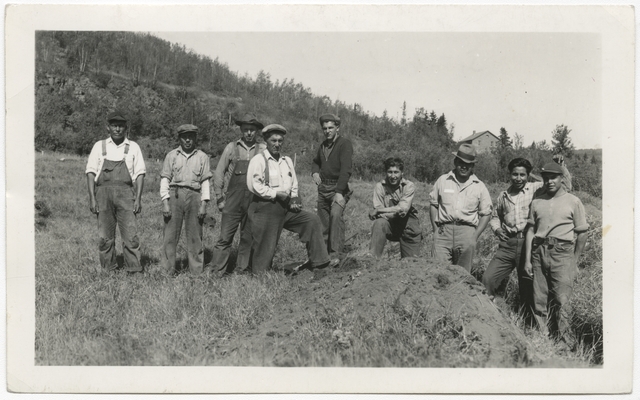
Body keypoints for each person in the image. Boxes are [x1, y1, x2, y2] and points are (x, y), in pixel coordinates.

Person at [483, 157, 571, 316]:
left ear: (528, 175)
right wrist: (497, 230)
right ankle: (493, 315)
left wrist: (561, 166)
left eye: (522, 175)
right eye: (515, 174)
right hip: (508, 244)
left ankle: (528, 323)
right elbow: (495, 216)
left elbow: (564, 186)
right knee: (488, 278)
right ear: (510, 174)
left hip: (529, 243)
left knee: (529, 286)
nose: (518, 178)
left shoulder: (536, 188)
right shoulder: (504, 195)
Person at [246, 124, 339, 274]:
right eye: (273, 140)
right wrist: (275, 194)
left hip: (286, 207)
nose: (277, 144)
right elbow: (253, 185)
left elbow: (294, 182)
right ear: (266, 141)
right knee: (265, 246)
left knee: (312, 220)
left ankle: (320, 264)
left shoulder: (287, 161)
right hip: (265, 207)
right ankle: (260, 277)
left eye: (280, 141)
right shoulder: (259, 160)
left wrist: (295, 198)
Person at [523, 162, 589, 348]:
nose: (549, 181)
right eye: (546, 178)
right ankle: (542, 336)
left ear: (562, 179)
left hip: (562, 252)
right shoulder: (537, 201)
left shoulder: (573, 201)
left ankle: (564, 341)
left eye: (553, 177)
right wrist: (528, 259)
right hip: (539, 252)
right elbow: (530, 230)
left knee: (562, 299)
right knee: (539, 297)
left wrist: (574, 261)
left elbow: (582, 232)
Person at [85, 111, 146, 273]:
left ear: (126, 128)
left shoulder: (133, 147)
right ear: (108, 127)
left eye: (121, 126)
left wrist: (138, 199)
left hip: (126, 195)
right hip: (103, 195)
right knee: (105, 236)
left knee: (130, 235)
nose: (117, 129)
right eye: (114, 125)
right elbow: (90, 173)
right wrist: (92, 198)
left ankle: (133, 269)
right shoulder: (99, 146)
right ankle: (108, 268)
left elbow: (140, 174)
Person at [211, 113, 266, 274]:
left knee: (247, 236)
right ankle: (217, 271)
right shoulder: (231, 147)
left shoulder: (262, 149)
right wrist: (219, 197)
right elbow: (219, 173)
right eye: (246, 129)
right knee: (225, 237)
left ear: (257, 132)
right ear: (241, 130)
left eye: (252, 130)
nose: (249, 133)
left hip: (253, 200)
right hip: (232, 200)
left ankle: (241, 270)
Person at [429, 143, 492, 272]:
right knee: (438, 273)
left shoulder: (479, 186)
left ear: (473, 166)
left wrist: (474, 237)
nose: (464, 166)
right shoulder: (443, 180)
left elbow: (486, 213)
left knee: (462, 275)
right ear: (455, 161)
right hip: (443, 232)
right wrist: (435, 229)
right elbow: (434, 204)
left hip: (466, 233)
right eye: (461, 162)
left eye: (468, 164)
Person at [160, 124, 212, 275]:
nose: (188, 140)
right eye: (185, 137)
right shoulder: (171, 156)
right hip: (174, 196)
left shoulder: (202, 157)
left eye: (191, 137)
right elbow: (165, 179)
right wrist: (165, 203)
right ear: (180, 138)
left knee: (195, 236)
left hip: (195, 197)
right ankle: (166, 271)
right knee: (169, 236)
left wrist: (204, 204)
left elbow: (205, 182)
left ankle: (196, 272)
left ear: (195, 138)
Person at [312, 113, 354, 258]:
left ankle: (336, 254)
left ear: (337, 128)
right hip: (323, 188)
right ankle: (324, 256)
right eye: (325, 128)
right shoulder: (322, 146)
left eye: (331, 127)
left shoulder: (344, 144)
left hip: (338, 188)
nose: (327, 131)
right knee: (322, 222)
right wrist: (315, 173)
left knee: (335, 216)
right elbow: (316, 161)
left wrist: (339, 192)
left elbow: (346, 170)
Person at [369, 157, 422, 258]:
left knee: (411, 264)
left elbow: (402, 208)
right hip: (390, 225)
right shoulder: (380, 187)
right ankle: (372, 258)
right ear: (386, 172)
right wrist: (391, 212)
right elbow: (380, 215)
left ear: (402, 173)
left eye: (396, 172)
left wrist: (379, 210)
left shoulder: (409, 186)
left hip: (408, 228)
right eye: (390, 172)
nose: (393, 176)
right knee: (379, 223)